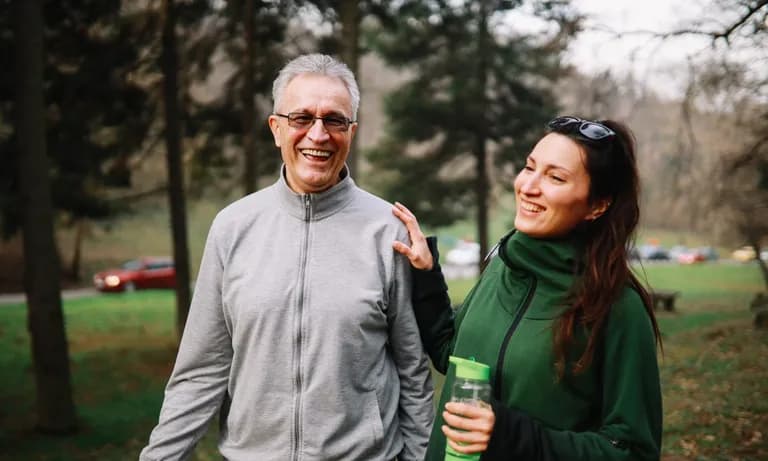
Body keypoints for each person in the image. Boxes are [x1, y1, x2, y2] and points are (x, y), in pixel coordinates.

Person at [140, 54, 434, 461]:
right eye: (301, 118)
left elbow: (414, 373)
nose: (318, 134)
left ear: (351, 131)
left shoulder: (389, 230)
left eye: (334, 120)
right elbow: (201, 371)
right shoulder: (233, 227)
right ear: (276, 129)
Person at [392, 116, 663, 460]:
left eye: (555, 177)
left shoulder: (616, 306)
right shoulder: (503, 265)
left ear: (597, 205)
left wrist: (512, 436)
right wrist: (426, 274)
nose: (528, 186)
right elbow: (453, 355)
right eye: (529, 167)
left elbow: (633, 450)